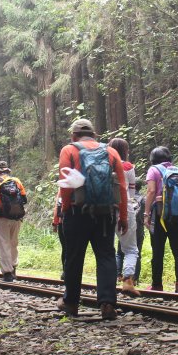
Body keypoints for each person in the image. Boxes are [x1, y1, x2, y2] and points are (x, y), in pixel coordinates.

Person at [56, 118, 127, 319]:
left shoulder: (69, 150)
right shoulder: (111, 152)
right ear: (94, 134)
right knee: (106, 256)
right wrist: (123, 216)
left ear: (74, 135)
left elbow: (65, 184)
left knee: (74, 257)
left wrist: (66, 209)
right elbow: (120, 186)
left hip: (77, 213)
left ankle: (70, 303)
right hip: (105, 214)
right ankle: (107, 303)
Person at [143, 146, 178, 293]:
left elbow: (150, 191)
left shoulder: (153, 170)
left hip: (159, 215)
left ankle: (157, 285)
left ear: (153, 159)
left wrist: (146, 213)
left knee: (158, 250)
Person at [0, 160, 27, 282]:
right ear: (7, 170)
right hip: (16, 217)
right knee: (14, 243)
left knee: (4, 244)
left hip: (1, 217)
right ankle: (14, 268)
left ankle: (7, 273)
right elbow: (24, 199)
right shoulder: (17, 181)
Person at [109, 138, 139, 296]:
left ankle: (108, 281)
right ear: (125, 151)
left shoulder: (105, 165)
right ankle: (128, 280)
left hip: (106, 209)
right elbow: (132, 194)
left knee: (107, 249)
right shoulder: (128, 167)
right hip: (125, 208)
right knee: (130, 249)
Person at [117, 179, 146, 285]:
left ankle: (118, 275)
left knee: (120, 253)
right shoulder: (143, 199)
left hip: (123, 224)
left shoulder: (125, 196)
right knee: (135, 252)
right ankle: (134, 279)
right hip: (138, 228)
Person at [52, 188, 67, 281]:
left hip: (63, 221)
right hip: (76, 222)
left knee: (65, 248)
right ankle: (68, 272)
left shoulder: (63, 185)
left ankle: (65, 272)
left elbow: (58, 205)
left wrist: (55, 222)